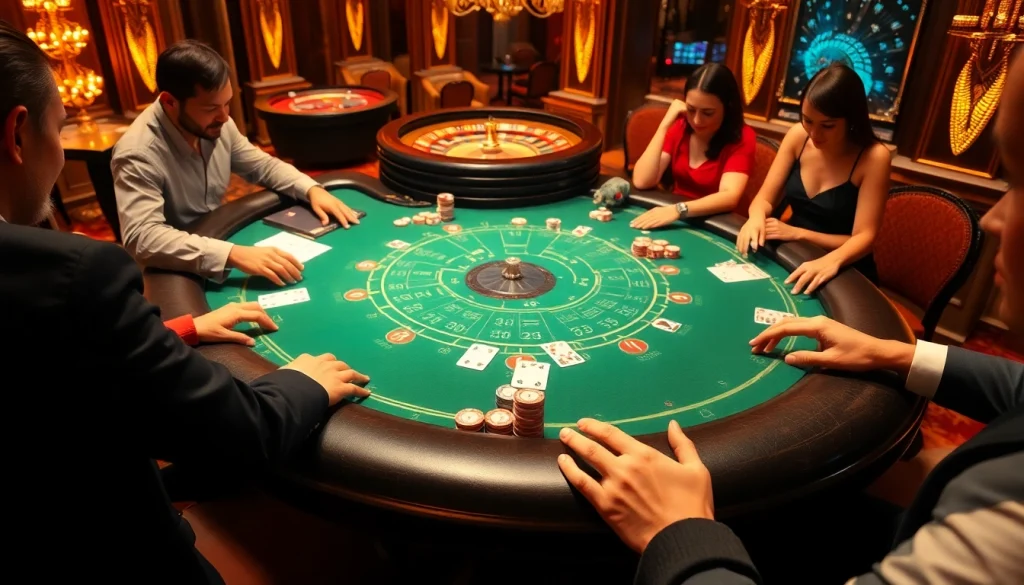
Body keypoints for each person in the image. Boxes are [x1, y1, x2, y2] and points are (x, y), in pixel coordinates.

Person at [558, 51, 1024, 585]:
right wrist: (901, 353)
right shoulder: (796, 141)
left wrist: (682, 530)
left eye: (1018, 179)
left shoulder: (1003, 521)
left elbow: (860, 237)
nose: (993, 216)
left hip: (838, 266)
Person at [0, 20, 370, 582]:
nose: (224, 118)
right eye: (60, 127)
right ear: (17, 134)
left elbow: (75, 366)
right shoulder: (79, 271)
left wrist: (185, 329)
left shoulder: (217, 125)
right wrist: (304, 382)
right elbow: (236, 431)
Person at [112, 39, 361, 287]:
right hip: (173, 275)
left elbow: (262, 166)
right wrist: (233, 254)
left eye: (227, 103)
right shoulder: (138, 153)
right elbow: (142, 239)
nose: (224, 116)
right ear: (169, 101)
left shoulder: (217, 123)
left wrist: (311, 189)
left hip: (216, 239)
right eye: (211, 108)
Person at [736, 63, 891, 295]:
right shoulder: (798, 136)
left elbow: (863, 238)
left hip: (846, 267)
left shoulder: (874, 157)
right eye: (807, 120)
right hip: (795, 254)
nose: (814, 134)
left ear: (851, 119)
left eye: (827, 126)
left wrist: (797, 233)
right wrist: (756, 218)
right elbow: (764, 200)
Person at [630, 63, 756, 229]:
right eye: (691, 109)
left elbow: (729, 196)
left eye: (707, 113)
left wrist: (679, 209)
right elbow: (641, 180)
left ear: (728, 108)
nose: (696, 120)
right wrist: (665, 124)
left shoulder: (743, 137)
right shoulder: (681, 126)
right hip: (678, 217)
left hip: (719, 224)